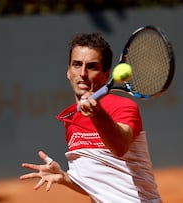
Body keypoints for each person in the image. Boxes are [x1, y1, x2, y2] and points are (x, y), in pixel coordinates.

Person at [20, 32, 162, 203]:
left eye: (92, 67)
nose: (83, 73)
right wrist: (65, 178)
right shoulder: (72, 120)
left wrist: (98, 114)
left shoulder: (123, 107)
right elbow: (98, 185)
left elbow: (120, 147)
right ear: (68, 71)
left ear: (106, 74)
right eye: (77, 65)